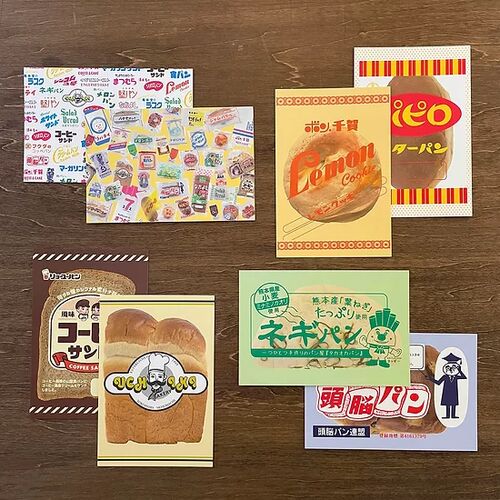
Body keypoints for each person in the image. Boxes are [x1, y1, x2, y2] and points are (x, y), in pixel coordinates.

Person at [428, 352, 467, 419]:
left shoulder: (456, 377)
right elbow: (438, 382)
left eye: (453, 368)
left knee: (453, 404)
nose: (451, 370)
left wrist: (459, 370)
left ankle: (453, 415)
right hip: (446, 392)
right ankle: (447, 415)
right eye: (448, 368)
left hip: (454, 392)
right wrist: (430, 379)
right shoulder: (445, 377)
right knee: (447, 404)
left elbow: (463, 377)